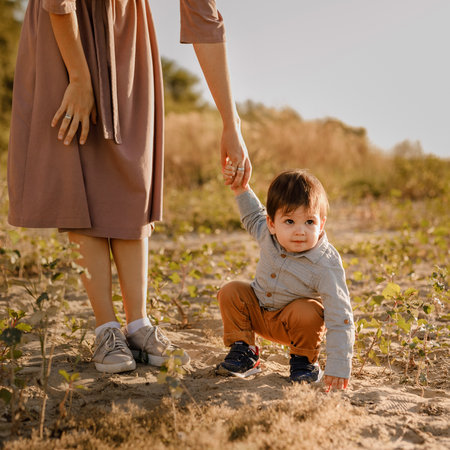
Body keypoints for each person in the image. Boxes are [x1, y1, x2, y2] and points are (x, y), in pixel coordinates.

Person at [7, 0, 251, 374]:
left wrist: (230, 122)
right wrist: (78, 76)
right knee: (81, 168)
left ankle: (138, 325)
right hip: (65, 28)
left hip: (126, 28)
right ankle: (106, 327)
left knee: (134, 168)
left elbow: (204, 20)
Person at [217, 167, 354, 391]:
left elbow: (341, 314)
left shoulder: (325, 263)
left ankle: (304, 362)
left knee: (309, 310)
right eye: (289, 221)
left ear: (322, 225)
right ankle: (244, 352)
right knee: (231, 291)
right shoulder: (267, 233)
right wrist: (241, 188)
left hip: (294, 325)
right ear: (272, 223)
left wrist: (339, 364)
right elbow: (252, 214)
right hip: (259, 313)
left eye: (309, 222)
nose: (300, 231)